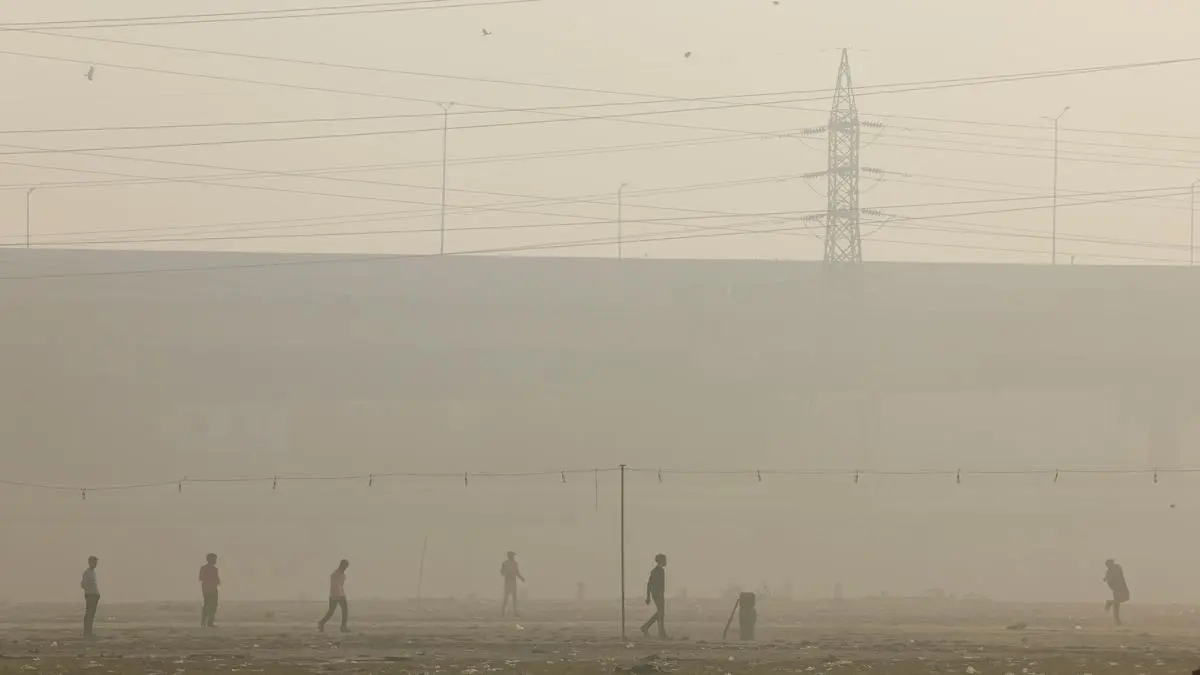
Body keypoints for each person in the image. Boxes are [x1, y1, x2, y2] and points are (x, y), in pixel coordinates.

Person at [640, 553, 668, 639]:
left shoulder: (661, 571)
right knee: (661, 614)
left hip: (659, 594)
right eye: (664, 560)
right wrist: (648, 596)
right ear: (660, 561)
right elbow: (649, 584)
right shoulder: (655, 571)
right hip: (656, 594)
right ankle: (661, 633)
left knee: (660, 613)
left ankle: (646, 627)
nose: (666, 562)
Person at [318, 559, 349, 633]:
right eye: (345, 566)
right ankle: (321, 623)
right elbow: (334, 586)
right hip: (335, 596)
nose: (345, 568)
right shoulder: (335, 574)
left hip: (340, 594)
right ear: (341, 565)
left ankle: (343, 627)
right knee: (331, 612)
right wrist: (338, 595)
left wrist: (342, 594)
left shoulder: (343, 575)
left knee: (344, 611)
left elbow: (341, 586)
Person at [1103, 558, 1130, 626]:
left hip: (1122, 586)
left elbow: (1119, 575)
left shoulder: (1117, 568)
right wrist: (1107, 579)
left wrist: (1107, 579)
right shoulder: (1110, 571)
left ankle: (1110, 603)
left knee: (1123, 599)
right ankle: (1117, 620)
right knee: (1117, 603)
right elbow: (1108, 579)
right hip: (1117, 588)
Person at [500, 551, 525, 617]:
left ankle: (514, 613)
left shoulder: (514, 563)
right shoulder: (506, 563)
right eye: (513, 555)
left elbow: (517, 572)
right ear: (510, 556)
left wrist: (521, 578)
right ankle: (503, 612)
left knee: (513, 598)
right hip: (508, 582)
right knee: (506, 598)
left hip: (512, 582)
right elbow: (502, 572)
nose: (513, 556)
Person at [199, 553, 221, 628]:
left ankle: (204, 621)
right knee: (212, 605)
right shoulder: (212, 569)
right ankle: (209, 622)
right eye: (214, 559)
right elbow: (216, 579)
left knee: (207, 605)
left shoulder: (204, 568)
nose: (215, 561)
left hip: (206, 589)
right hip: (210, 589)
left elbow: (201, 578)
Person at [81, 556, 100, 638]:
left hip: (93, 595)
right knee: (89, 614)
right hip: (90, 595)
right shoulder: (87, 572)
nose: (95, 564)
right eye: (94, 562)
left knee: (91, 614)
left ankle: (89, 632)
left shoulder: (92, 572)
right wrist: (89, 591)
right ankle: (87, 632)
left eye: (96, 562)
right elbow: (83, 584)